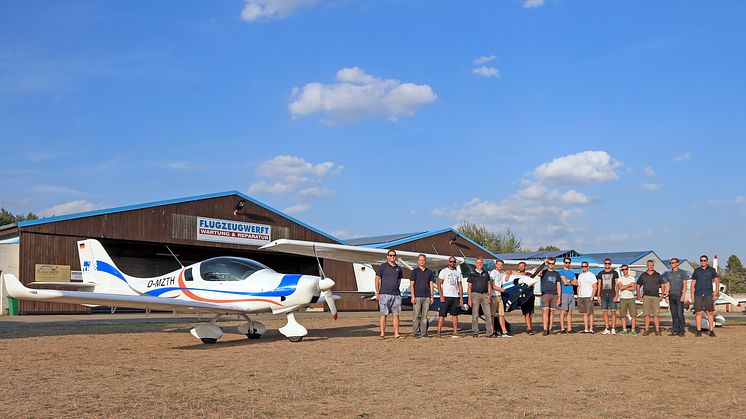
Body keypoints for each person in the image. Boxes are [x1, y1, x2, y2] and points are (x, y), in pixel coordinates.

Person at [376, 250, 404, 339]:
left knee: (396, 315)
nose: (392, 257)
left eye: (394, 255)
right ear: (387, 256)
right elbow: (377, 279)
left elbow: (399, 280)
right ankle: (382, 334)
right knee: (384, 314)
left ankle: (396, 333)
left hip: (396, 295)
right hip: (384, 294)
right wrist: (377, 292)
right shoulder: (382, 267)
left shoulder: (399, 268)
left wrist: (396, 288)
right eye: (390, 255)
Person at [691, 255, 720, 337]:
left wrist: (717, 291)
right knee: (698, 313)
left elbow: (717, 280)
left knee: (710, 313)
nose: (703, 262)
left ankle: (711, 331)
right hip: (698, 294)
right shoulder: (696, 271)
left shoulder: (712, 270)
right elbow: (693, 283)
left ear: (707, 261)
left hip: (708, 294)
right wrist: (692, 294)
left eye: (704, 260)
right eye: (701, 260)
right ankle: (698, 331)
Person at [636, 260, 665, 336]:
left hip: (656, 297)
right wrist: (639, 295)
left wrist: (662, 295)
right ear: (647, 265)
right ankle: (646, 330)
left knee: (656, 315)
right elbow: (638, 285)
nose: (650, 266)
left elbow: (663, 285)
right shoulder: (643, 275)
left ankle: (657, 330)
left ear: (653, 266)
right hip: (646, 297)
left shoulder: (657, 275)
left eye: (652, 265)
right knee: (646, 315)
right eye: (649, 265)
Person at [437, 256, 463, 338]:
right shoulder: (443, 271)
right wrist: (441, 295)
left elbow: (460, 285)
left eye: (454, 262)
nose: (452, 263)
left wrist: (461, 297)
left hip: (455, 296)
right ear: (449, 262)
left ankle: (455, 331)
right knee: (442, 315)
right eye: (451, 261)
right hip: (446, 296)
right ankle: (439, 331)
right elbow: (439, 284)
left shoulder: (458, 273)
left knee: (455, 315)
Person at [409, 254, 434, 338]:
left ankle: (423, 332)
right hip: (417, 296)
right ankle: (415, 332)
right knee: (416, 315)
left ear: (425, 261)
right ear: (418, 261)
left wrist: (432, 296)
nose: (422, 261)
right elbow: (412, 284)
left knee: (425, 316)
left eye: (423, 260)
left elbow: (431, 284)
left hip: (426, 296)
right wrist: (413, 296)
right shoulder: (414, 272)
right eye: (420, 260)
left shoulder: (429, 272)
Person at [467, 257, 493, 338]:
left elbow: (489, 284)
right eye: (478, 263)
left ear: (482, 264)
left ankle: (489, 332)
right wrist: (469, 298)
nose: (479, 264)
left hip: (485, 295)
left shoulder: (486, 273)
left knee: (488, 314)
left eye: (481, 263)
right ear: (475, 264)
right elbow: (469, 287)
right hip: (475, 294)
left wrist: (489, 295)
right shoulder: (472, 273)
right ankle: (475, 332)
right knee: (475, 314)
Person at [664, 258, 688, 337]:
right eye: (671, 263)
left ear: (677, 263)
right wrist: (666, 295)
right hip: (671, 295)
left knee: (680, 314)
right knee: (674, 314)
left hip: (679, 294)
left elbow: (685, 284)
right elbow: (668, 284)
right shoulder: (669, 274)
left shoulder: (682, 273)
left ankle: (681, 330)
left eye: (673, 263)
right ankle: (675, 330)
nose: (672, 264)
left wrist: (683, 295)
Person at [596, 258, 619, 335]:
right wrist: (598, 296)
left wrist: (616, 295)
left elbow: (617, 285)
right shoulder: (600, 273)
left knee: (613, 311)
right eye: (606, 263)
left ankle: (613, 328)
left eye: (608, 263)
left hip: (612, 294)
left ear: (610, 264)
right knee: (605, 312)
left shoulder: (615, 273)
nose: (607, 265)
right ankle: (607, 328)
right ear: (604, 264)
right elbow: (599, 285)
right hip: (603, 294)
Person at [539, 257, 562, 335]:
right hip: (545, 294)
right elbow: (539, 274)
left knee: (552, 312)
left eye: (552, 263)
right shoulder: (544, 272)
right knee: (545, 311)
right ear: (548, 264)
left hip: (554, 294)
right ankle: (545, 329)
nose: (551, 265)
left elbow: (558, 285)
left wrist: (559, 297)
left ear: (554, 264)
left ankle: (550, 328)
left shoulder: (556, 274)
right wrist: (544, 264)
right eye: (550, 263)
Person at [489, 259, 512, 337]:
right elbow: (491, 286)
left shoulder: (501, 273)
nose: (500, 266)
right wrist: (500, 289)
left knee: (501, 314)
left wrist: (508, 275)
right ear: (496, 265)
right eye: (498, 265)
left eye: (501, 265)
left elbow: (509, 271)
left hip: (499, 296)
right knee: (492, 315)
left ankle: (504, 332)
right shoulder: (493, 273)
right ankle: (492, 331)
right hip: (493, 296)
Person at [615, 264, 638, 335]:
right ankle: (624, 329)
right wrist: (628, 285)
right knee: (623, 315)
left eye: (625, 269)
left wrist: (624, 287)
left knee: (633, 315)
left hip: (631, 298)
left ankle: (633, 329)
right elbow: (620, 288)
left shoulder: (632, 278)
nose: (624, 271)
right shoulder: (619, 279)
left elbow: (632, 288)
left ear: (628, 270)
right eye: (623, 269)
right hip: (623, 298)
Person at [577, 262, 597, 334]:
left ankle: (591, 329)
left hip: (588, 296)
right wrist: (578, 295)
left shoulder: (592, 275)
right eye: (582, 266)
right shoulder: (580, 275)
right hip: (581, 296)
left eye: (585, 266)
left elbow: (595, 286)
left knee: (590, 313)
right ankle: (586, 329)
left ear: (588, 267)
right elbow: (579, 286)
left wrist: (592, 296)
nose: (584, 267)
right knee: (584, 313)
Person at [558, 258, 577, 334]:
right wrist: (571, 281)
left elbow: (576, 283)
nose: (567, 264)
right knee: (563, 311)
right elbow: (565, 282)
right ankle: (562, 328)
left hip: (571, 293)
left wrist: (569, 281)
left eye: (569, 262)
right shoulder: (561, 271)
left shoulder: (572, 272)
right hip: (564, 293)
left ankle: (569, 328)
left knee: (570, 312)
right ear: (564, 263)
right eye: (566, 262)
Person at [517, 261, 536, 335]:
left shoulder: (529, 274)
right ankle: (529, 328)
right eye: (520, 266)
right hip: (523, 296)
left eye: (522, 266)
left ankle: (529, 326)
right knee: (526, 313)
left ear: (525, 267)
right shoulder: (516, 275)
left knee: (530, 313)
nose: (521, 267)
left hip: (530, 295)